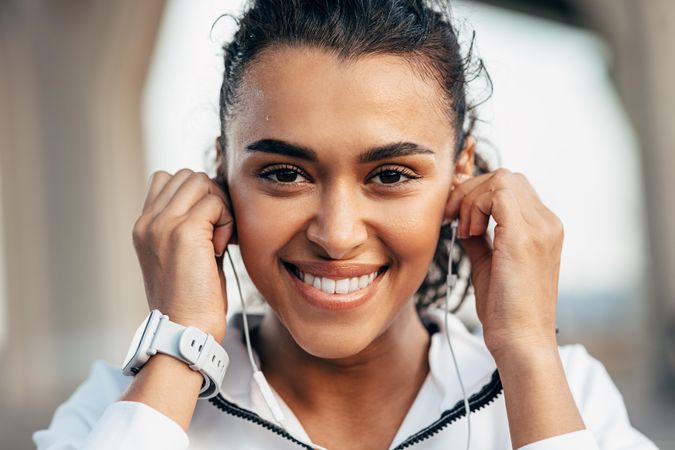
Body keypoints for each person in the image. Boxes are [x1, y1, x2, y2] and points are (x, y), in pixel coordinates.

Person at [34, 0, 658, 449]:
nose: (336, 234)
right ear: (220, 175)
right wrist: (180, 350)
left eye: (389, 175)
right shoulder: (121, 408)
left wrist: (526, 358)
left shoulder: (565, 391)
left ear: (460, 176)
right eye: (284, 173)